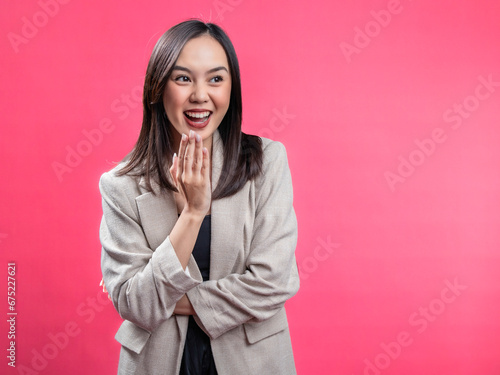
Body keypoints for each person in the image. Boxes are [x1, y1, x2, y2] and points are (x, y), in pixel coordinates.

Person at [99, 19, 299, 375]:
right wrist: (193, 212)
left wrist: (158, 297)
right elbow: (136, 305)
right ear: (158, 88)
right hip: (158, 360)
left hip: (251, 359)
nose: (200, 95)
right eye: (183, 78)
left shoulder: (267, 161)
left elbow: (273, 283)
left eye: (216, 79)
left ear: (231, 89)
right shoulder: (120, 185)